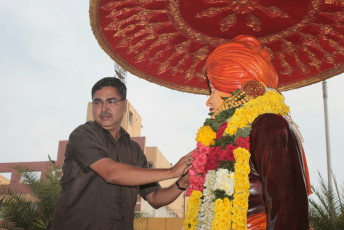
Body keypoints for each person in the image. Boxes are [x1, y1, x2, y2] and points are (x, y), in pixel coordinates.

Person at [183, 35, 311, 230]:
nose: (209, 101)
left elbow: (289, 216)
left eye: (212, 89)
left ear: (235, 88)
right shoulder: (229, 136)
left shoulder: (270, 126)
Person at [49, 77, 192, 230]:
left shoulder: (135, 151)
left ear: (124, 106)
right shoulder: (83, 135)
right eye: (97, 102)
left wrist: (182, 183)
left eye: (111, 101)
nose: (103, 108)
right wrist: (171, 171)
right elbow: (111, 173)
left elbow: (155, 198)